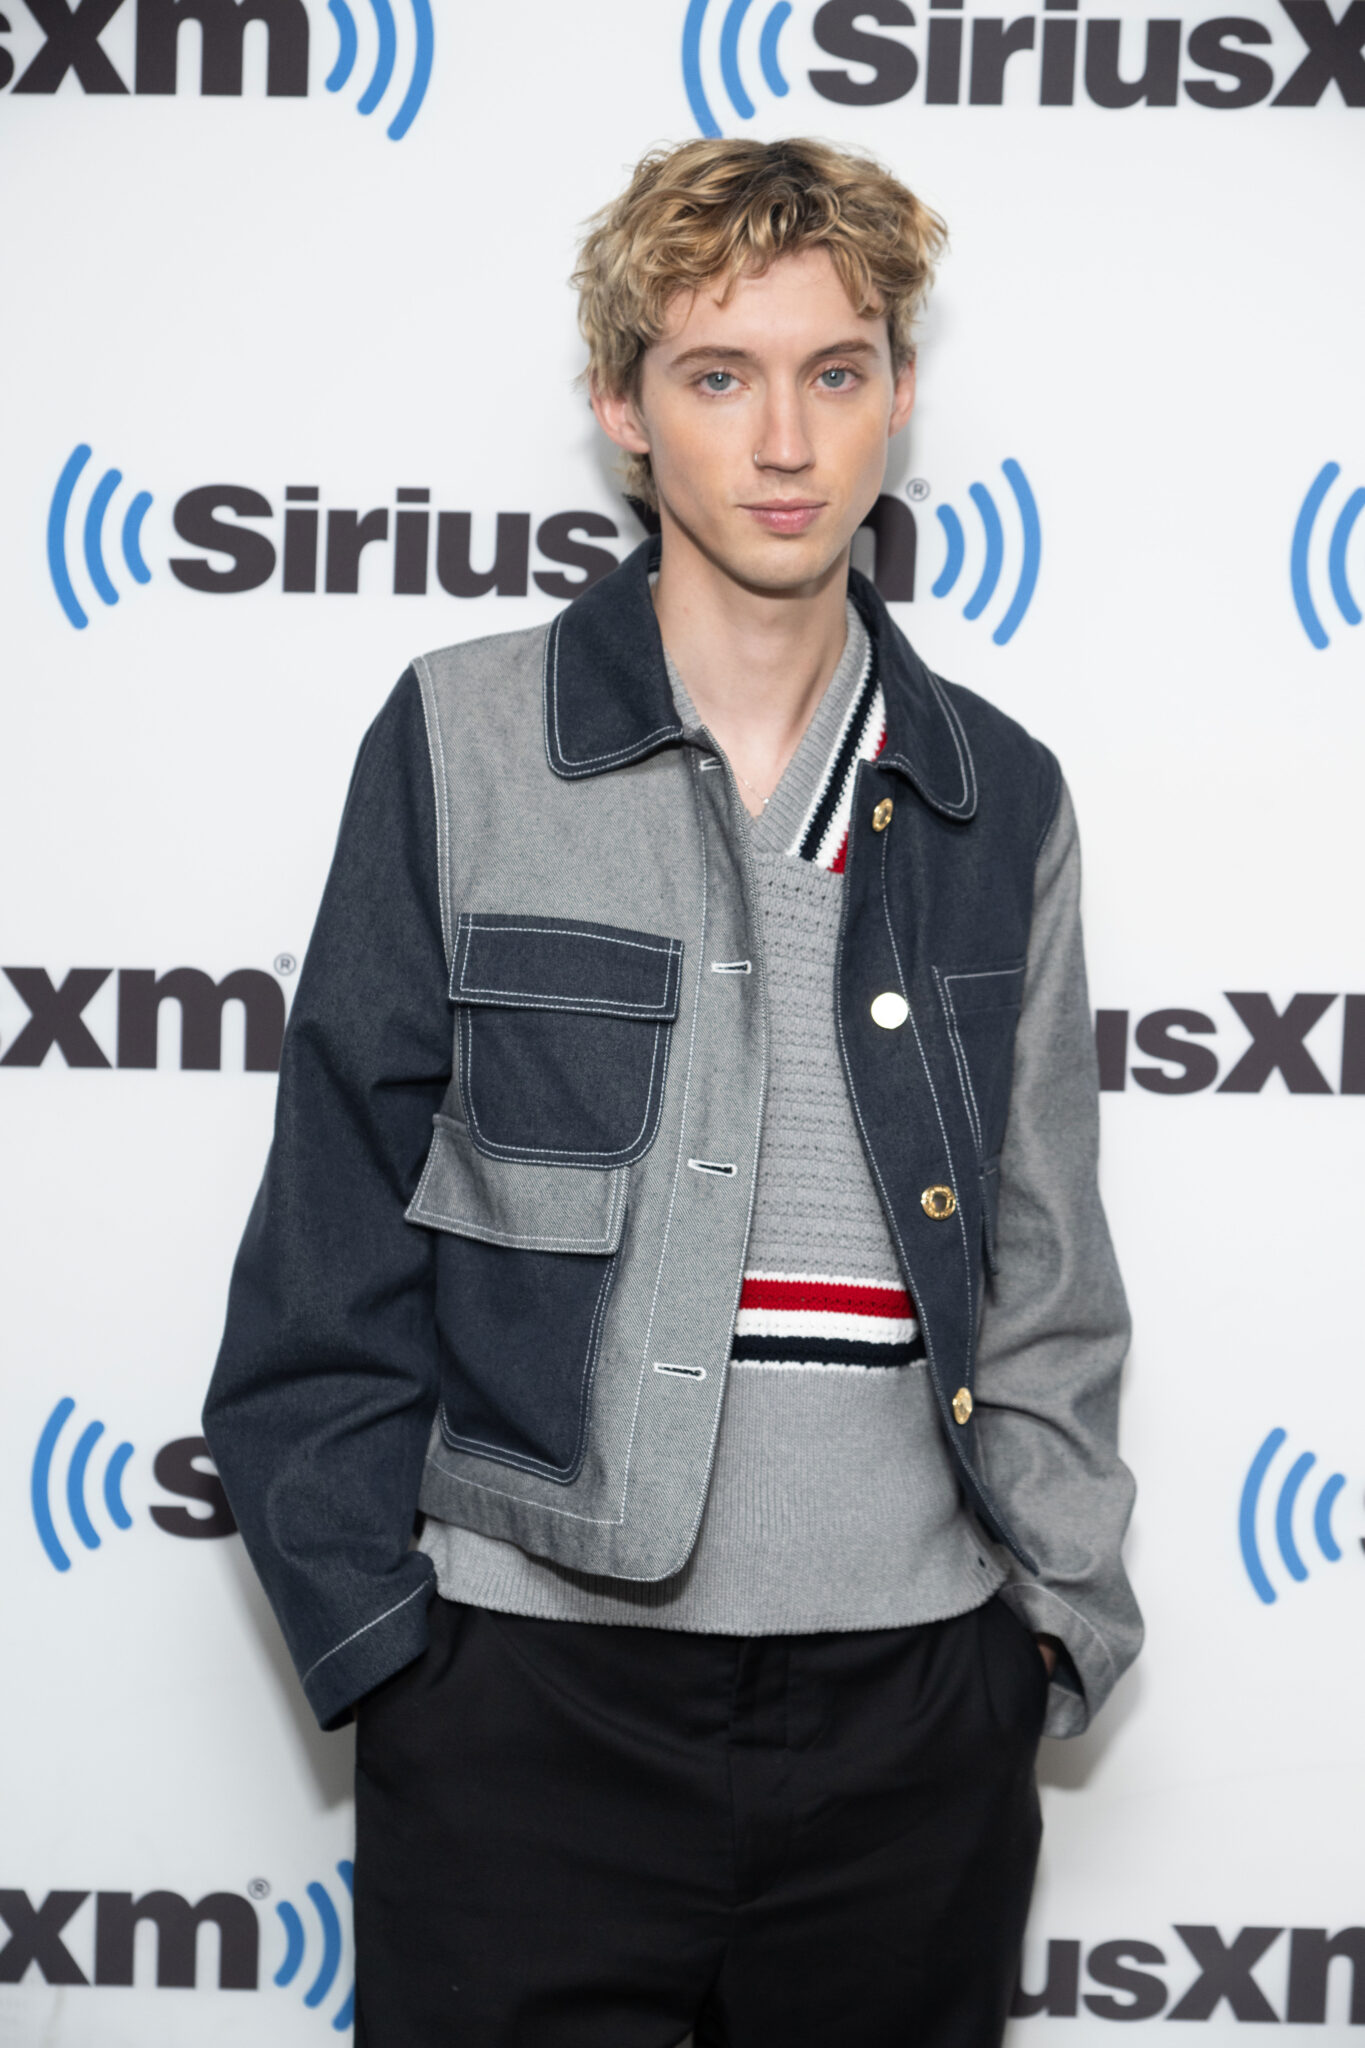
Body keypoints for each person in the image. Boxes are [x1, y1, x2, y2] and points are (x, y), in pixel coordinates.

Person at [204, 136, 1141, 2048]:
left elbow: (1045, 1243)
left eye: (837, 370)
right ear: (624, 410)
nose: (784, 440)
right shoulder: (463, 736)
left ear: (894, 397)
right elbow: (332, 1215)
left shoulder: (998, 790)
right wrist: (396, 1652)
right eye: (720, 376)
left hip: (907, 1718)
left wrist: (1041, 1627)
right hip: (527, 1707)